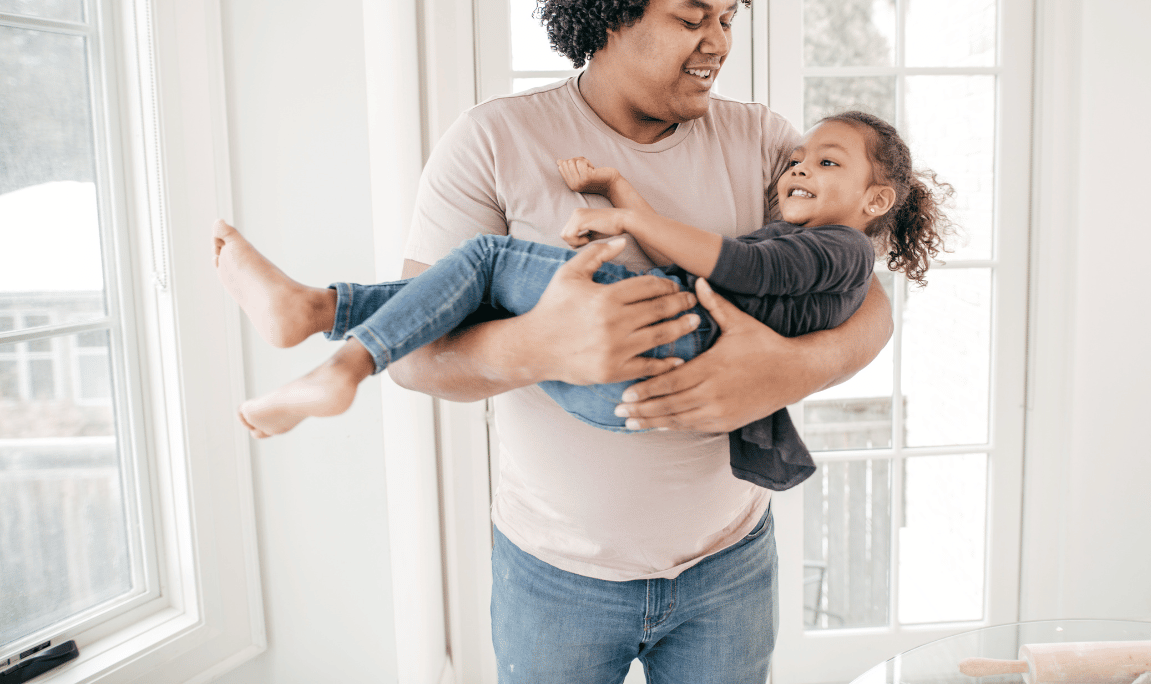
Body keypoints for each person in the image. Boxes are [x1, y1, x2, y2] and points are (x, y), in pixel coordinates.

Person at [393, 0, 894, 682]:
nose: (718, 43)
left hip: (730, 564)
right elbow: (415, 355)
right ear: (611, 12)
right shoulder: (494, 141)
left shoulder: (763, 140)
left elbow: (865, 291)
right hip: (555, 576)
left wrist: (790, 370)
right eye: (691, 20)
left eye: (727, 18)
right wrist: (536, 345)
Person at [212, 112, 952, 495]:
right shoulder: (493, 133)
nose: (796, 163)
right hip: (632, 388)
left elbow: (732, 263)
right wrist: (619, 195)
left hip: (664, 348)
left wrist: (628, 219)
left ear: (875, 200)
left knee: (487, 259)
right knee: (483, 301)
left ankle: (342, 362)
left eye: (825, 162)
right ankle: (312, 308)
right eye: (693, 16)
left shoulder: (845, 249)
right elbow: (698, 259)